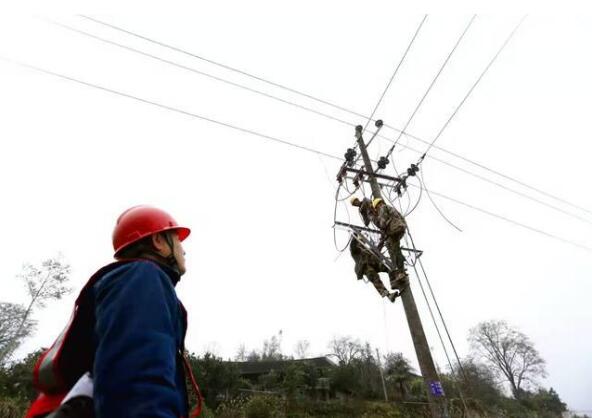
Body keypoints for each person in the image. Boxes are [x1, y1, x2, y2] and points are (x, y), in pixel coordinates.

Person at [25, 205, 202, 418]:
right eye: (177, 239)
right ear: (158, 242)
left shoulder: (131, 282)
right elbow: (136, 382)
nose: (183, 249)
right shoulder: (142, 278)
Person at [371, 198, 409, 291]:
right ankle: (401, 271)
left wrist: (377, 222)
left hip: (394, 229)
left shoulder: (383, 208)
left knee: (393, 250)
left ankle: (400, 272)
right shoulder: (390, 207)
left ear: (378, 205)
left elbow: (383, 223)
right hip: (400, 228)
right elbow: (402, 219)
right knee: (396, 249)